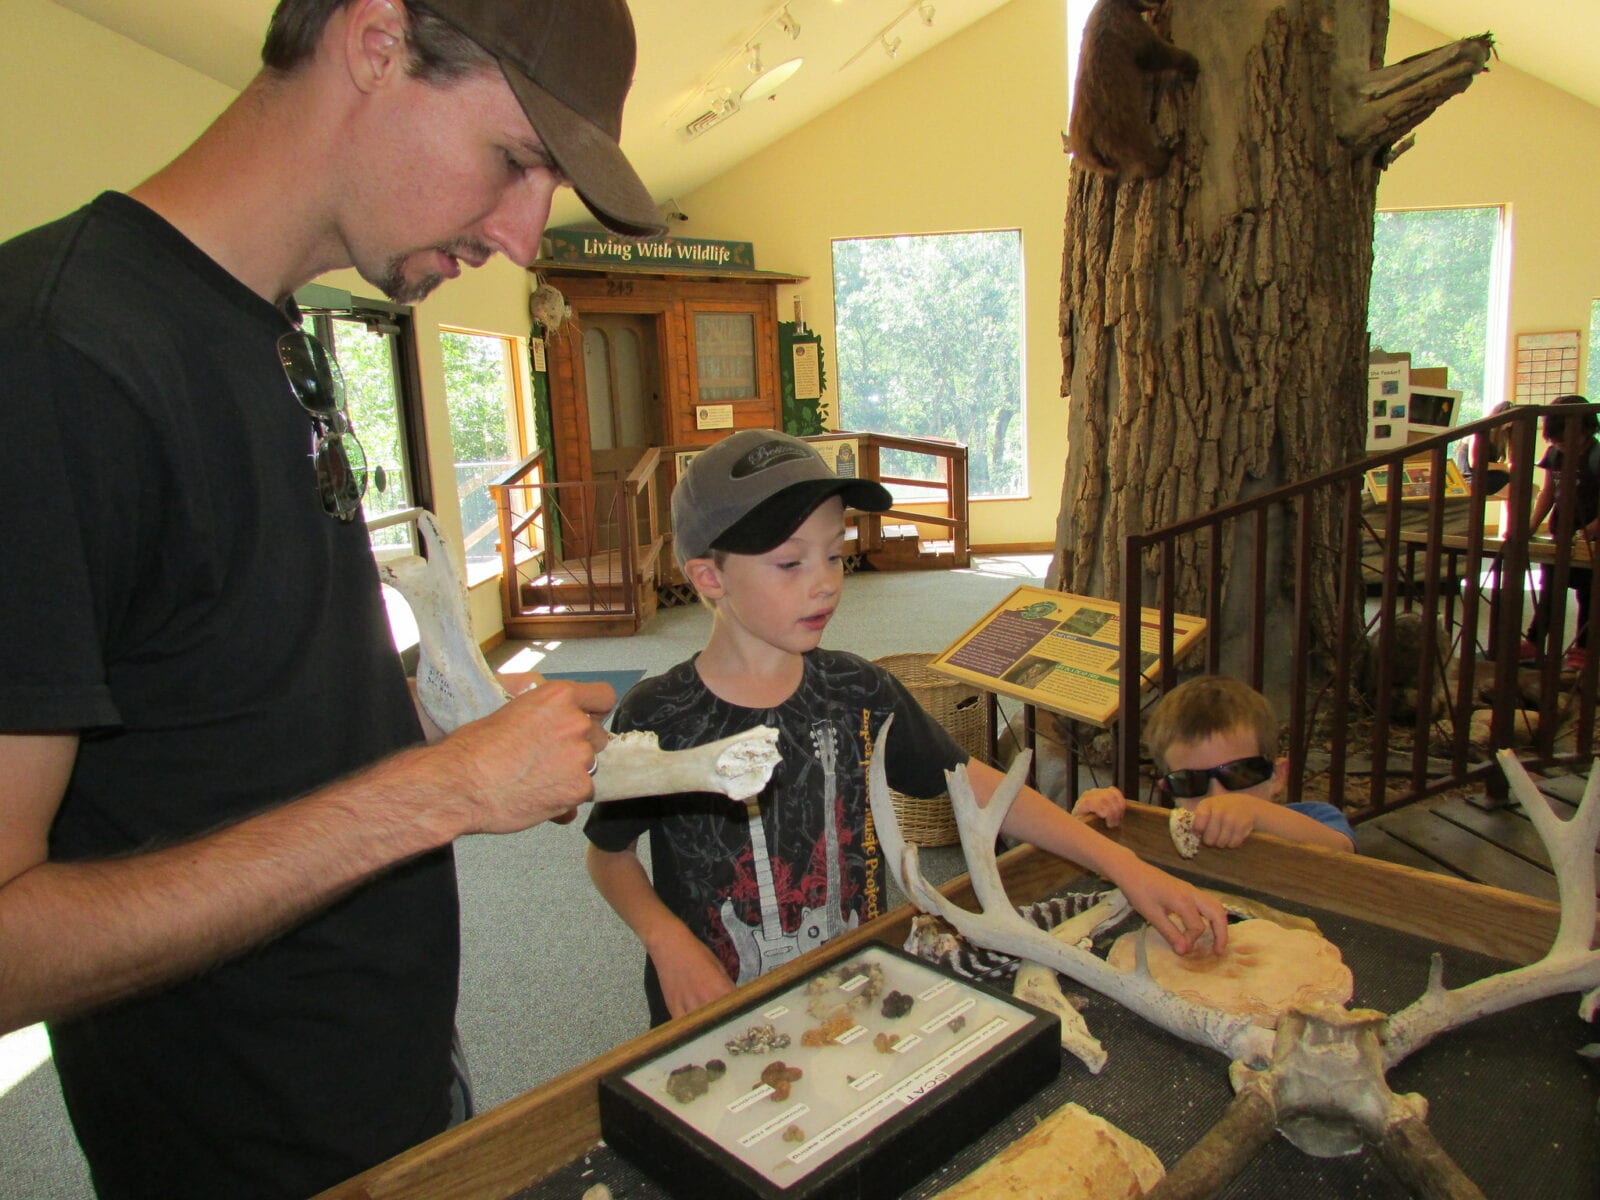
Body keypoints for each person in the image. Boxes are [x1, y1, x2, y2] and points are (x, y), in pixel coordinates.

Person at [0, 2, 662, 1196]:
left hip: (388, 1074)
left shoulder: (274, 332)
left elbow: (205, 696)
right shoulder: (56, 360)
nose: (524, 235)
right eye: (515, 162)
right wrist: (440, 791)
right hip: (242, 1147)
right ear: (374, 41)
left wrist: (413, 720)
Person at [583, 430, 1229, 1026]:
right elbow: (609, 858)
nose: (826, 584)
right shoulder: (656, 716)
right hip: (712, 1009)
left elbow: (979, 787)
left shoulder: (861, 692)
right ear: (708, 576)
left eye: (835, 555)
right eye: (791, 563)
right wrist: (666, 941)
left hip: (854, 987)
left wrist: (1124, 864)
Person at [1073, 675, 1356, 852]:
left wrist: (1255, 813)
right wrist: (1088, 823)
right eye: (1192, 781)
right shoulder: (1167, 838)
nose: (1218, 798)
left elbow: (1341, 851)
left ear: (1278, 776)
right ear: (1170, 790)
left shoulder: (1316, 818)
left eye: (1240, 774)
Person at [1518, 395, 1599, 672]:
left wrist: (1592, 528)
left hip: (1591, 535)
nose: (1562, 446)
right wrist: (1530, 525)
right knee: (1550, 588)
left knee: (1589, 594)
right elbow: (1548, 492)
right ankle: (1535, 640)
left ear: (1585, 430)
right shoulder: (1554, 455)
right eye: (1557, 442)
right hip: (1561, 531)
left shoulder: (1596, 457)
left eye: (1567, 440)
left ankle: (1584, 648)